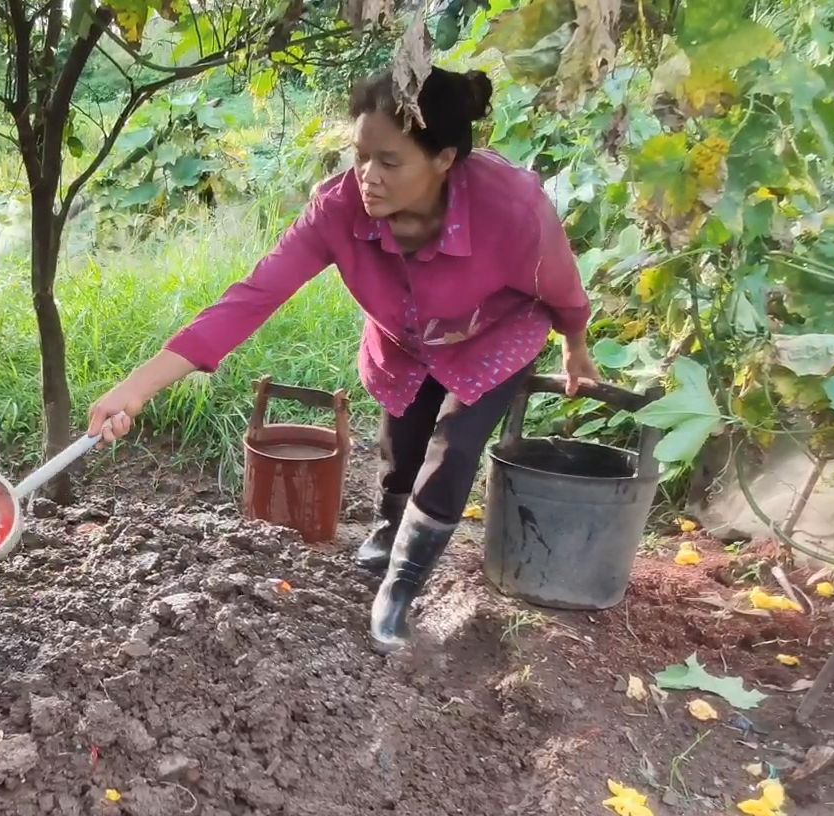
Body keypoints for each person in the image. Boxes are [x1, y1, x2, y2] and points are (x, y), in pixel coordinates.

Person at [85, 66, 600, 653]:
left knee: (453, 451)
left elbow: (559, 285)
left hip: (493, 337)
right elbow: (252, 298)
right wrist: (139, 385)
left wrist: (575, 344)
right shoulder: (337, 211)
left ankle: (402, 587)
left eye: (389, 161)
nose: (367, 177)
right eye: (360, 156)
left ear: (444, 158)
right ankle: (388, 529)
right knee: (401, 447)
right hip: (404, 341)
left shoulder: (511, 209)